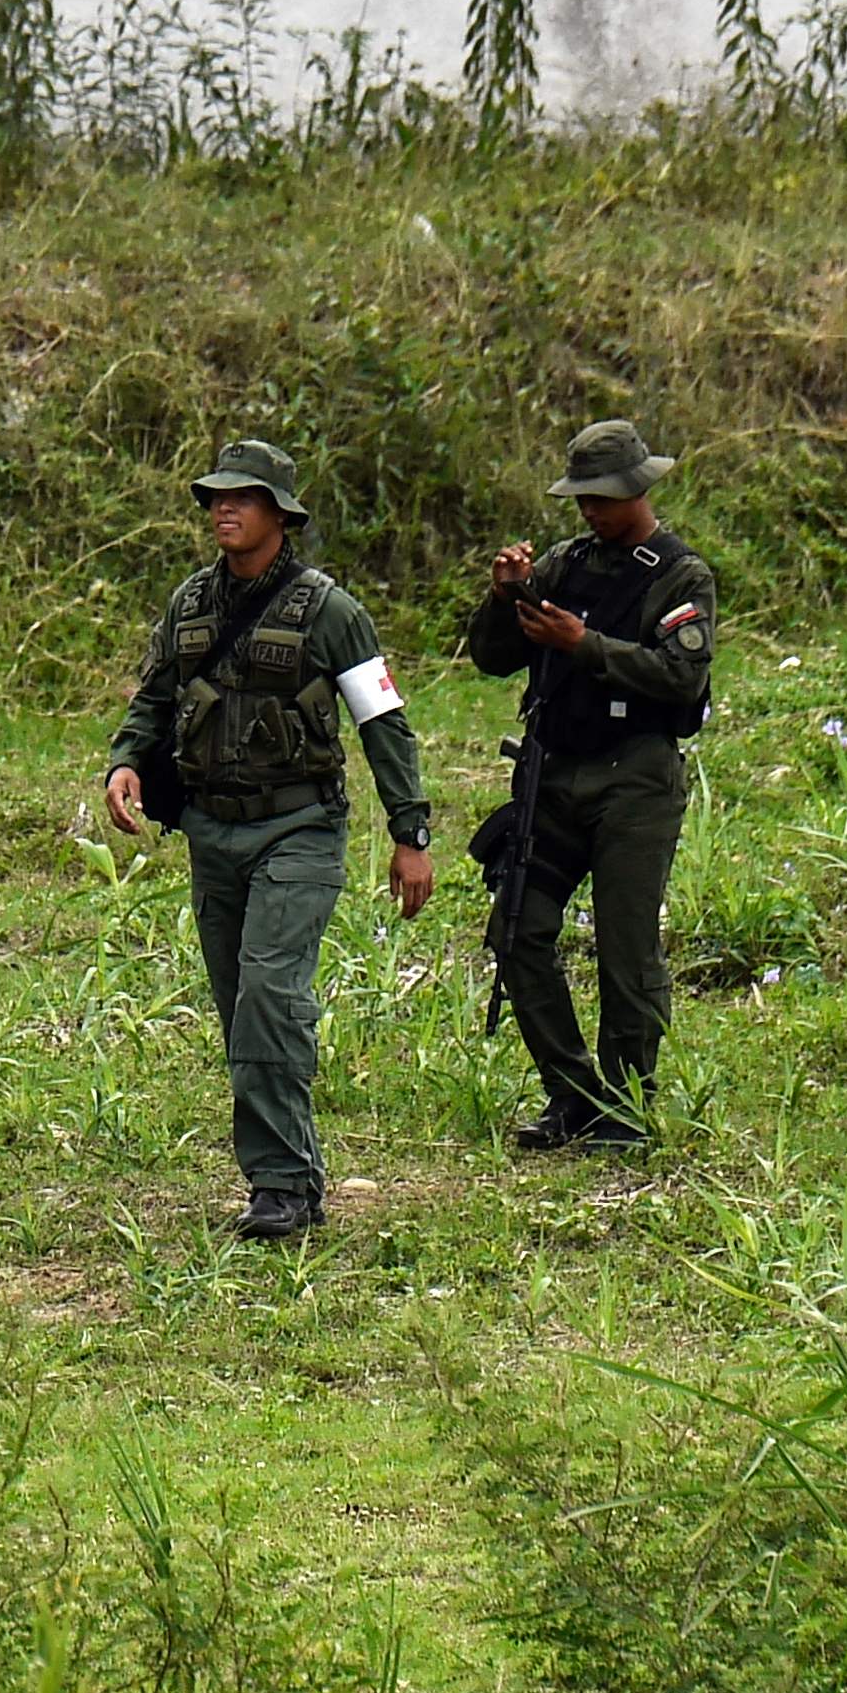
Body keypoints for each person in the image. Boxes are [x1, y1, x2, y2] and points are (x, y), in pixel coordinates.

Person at [105, 440, 434, 1242]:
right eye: (217, 497)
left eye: (244, 497)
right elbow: (156, 697)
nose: (225, 509)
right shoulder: (190, 603)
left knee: (269, 999)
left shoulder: (330, 612)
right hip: (212, 831)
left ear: (280, 515)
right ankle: (291, 1180)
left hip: (299, 829)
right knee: (237, 1007)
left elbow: (383, 723)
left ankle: (281, 1185)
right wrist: (125, 762)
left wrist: (410, 832)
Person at [463, 419, 714, 1150]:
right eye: (582, 498)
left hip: (634, 779)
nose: (590, 511)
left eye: (602, 497)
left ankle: (629, 1108)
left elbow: (682, 677)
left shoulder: (679, 575)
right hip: (554, 774)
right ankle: (573, 1097)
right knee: (518, 929)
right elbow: (492, 657)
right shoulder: (565, 565)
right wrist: (506, 597)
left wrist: (586, 646)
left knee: (625, 951)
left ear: (638, 488)